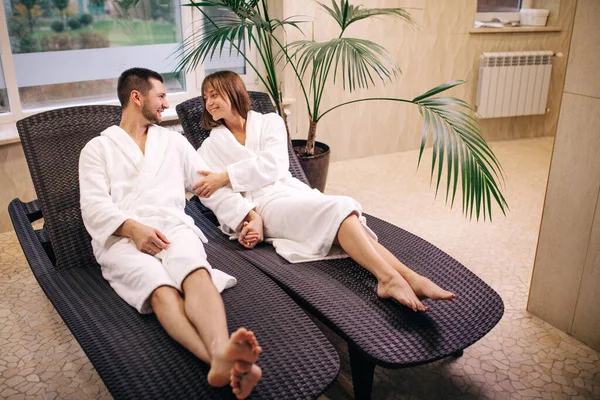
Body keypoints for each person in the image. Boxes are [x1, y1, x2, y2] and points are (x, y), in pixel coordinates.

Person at [193, 70, 457, 312]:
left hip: (292, 191)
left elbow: (275, 165)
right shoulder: (208, 149)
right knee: (339, 208)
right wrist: (250, 217)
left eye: (215, 94)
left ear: (235, 92)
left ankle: (407, 277)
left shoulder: (270, 122)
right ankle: (390, 277)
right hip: (264, 206)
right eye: (206, 98)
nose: (209, 102)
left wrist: (225, 176)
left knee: (343, 216)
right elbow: (213, 195)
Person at [79, 67, 262, 399]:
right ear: (137, 97)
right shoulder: (97, 149)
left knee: (195, 271)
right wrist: (133, 229)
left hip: (172, 227)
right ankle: (218, 360)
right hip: (121, 238)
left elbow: (208, 184)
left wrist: (248, 215)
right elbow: (92, 207)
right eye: (160, 96)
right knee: (161, 289)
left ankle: (221, 352)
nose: (166, 103)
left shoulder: (172, 142)